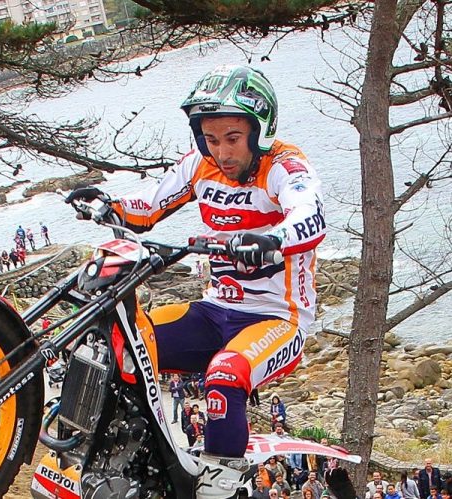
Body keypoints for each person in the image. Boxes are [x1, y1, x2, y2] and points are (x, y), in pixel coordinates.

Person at [64, 64, 325, 457]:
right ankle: (134, 456)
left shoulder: (284, 166)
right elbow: (149, 205)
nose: (222, 152)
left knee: (225, 375)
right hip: (214, 310)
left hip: (277, 319)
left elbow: (310, 214)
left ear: (260, 130)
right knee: (122, 344)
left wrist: (274, 238)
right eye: (211, 140)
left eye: (233, 138)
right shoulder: (200, 165)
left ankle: (222, 477)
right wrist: (109, 204)